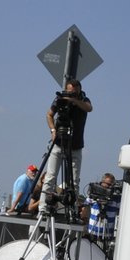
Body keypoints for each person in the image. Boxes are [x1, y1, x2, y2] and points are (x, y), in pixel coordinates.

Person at [40, 77, 92, 215]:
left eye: (75, 92)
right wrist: (52, 130)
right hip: (58, 143)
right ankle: (43, 208)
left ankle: (72, 210)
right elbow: (49, 114)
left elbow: (89, 108)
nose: (72, 94)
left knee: (74, 181)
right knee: (50, 177)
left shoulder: (84, 99)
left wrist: (74, 100)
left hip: (75, 146)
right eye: (70, 92)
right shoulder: (60, 99)